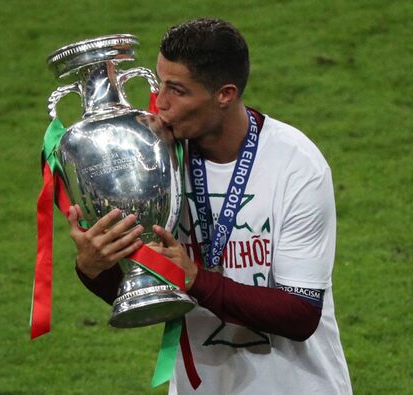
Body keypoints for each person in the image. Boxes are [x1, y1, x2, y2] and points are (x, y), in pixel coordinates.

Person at [68, 18, 353, 394]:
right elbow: (146, 294)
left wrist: (195, 280)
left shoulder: (295, 165)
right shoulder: (152, 161)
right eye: (159, 82)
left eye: (177, 90)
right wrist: (94, 267)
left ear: (224, 94)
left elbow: (300, 314)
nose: (160, 103)